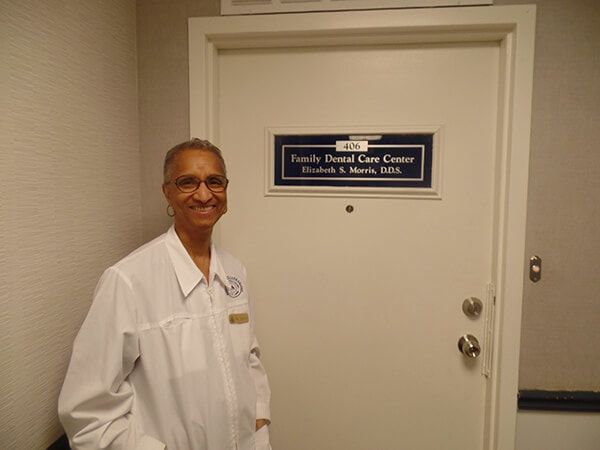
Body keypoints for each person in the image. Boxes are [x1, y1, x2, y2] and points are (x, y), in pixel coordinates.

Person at [58, 139, 272, 450]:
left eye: (215, 181)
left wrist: (260, 427)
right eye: (187, 182)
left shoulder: (235, 271)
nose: (203, 194)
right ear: (167, 192)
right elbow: (87, 412)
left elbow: (248, 360)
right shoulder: (128, 281)